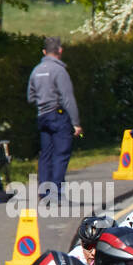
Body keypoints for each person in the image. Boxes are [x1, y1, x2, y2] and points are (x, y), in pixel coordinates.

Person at [26, 36, 82, 203]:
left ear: (44, 52)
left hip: (42, 116)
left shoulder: (36, 70)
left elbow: (30, 97)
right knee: (61, 154)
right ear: (60, 51)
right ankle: (56, 194)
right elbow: (67, 98)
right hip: (58, 115)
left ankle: (44, 193)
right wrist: (76, 123)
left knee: (46, 155)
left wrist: (43, 101)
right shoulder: (59, 71)